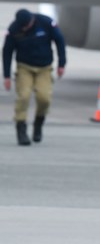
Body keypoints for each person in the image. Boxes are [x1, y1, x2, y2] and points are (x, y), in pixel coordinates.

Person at [3, 9, 66, 146]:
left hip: (44, 68)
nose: (24, 28)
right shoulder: (14, 29)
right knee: (23, 97)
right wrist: (6, 76)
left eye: (26, 25)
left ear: (32, 20)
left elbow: (59, 41)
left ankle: (38, 123)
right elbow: (7, 52)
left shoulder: (45, 22)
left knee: (44, 98)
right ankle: (21, 129)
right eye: (22, 26)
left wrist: (62, 64)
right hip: (24, 67)